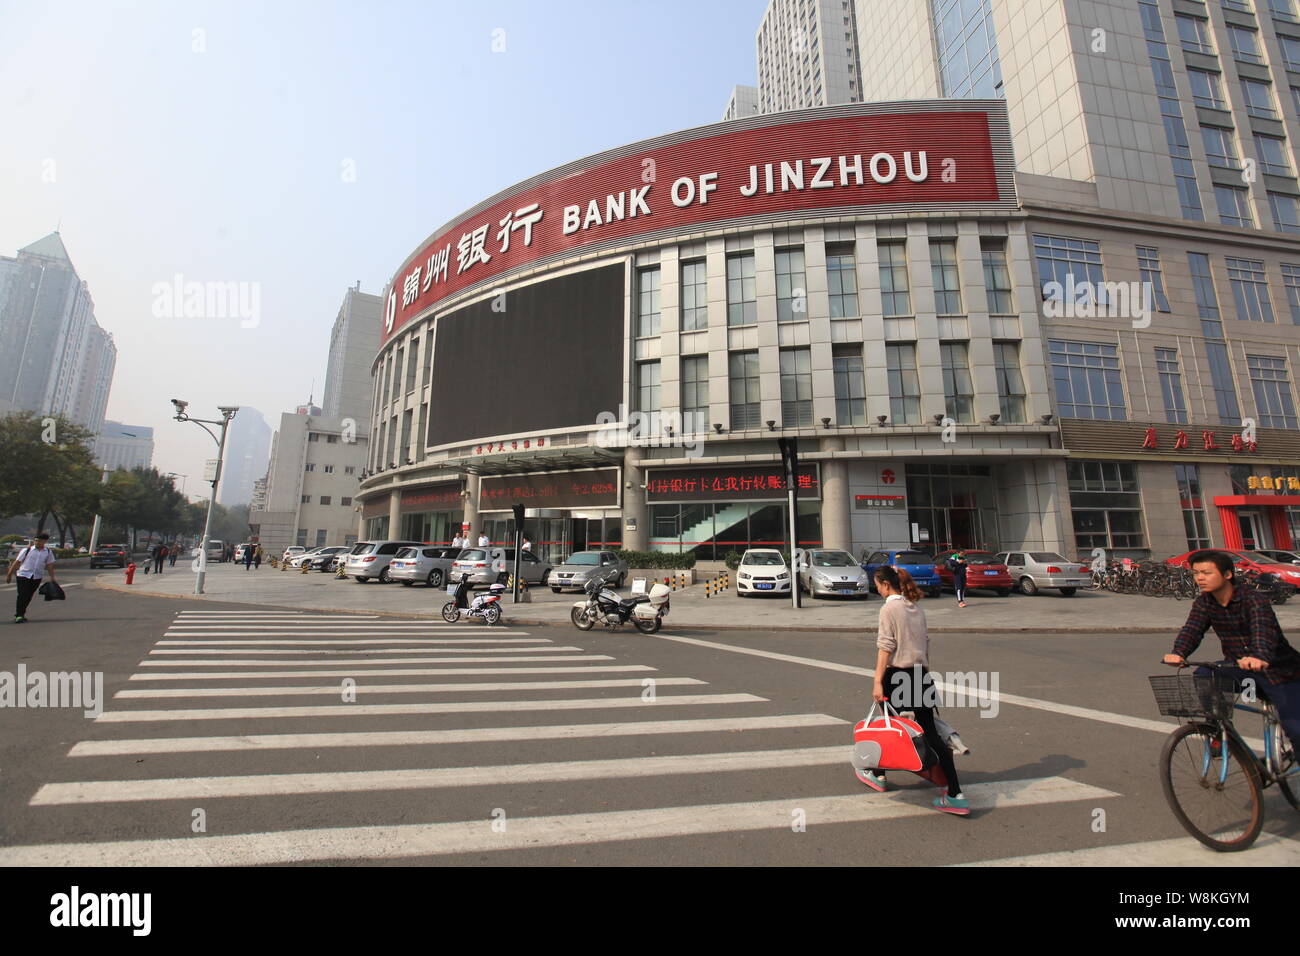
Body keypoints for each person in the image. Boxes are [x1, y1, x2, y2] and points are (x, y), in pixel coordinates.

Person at [1164, 549, 1300, 757]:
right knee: (1205, 674)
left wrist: (1259, 657)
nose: (1200, 578)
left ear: (1227, 574)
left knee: (1295, 729)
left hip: (1280, 672)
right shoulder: (1204, 603)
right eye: (1196, 573)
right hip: (1240, 668)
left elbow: (1263, 631)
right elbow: (1192, 630)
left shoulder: (1253, 600)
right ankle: (1218, 734)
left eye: (1206, 573)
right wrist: (1179, 652)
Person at [861, 565, 969, 815]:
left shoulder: (889, 608)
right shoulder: (916, 608)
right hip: (921, 675)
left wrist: (878, 680)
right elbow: (925, 644)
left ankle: (878, 774)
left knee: (889, 728)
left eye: (877, 584)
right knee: (930, 733)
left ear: (886, 584)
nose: (876, 588)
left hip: (897, 675)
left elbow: (886, 646)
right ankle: (955, 792)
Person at [6, 532, 58, 624]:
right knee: (22, 595)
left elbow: (50, 565)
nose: (37, 542)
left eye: (39, 541)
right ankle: (19, 615)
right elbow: (17, 562)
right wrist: (9, 575)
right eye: (36, 540)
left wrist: (52, 577)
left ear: (45, 541)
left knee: (29, 596)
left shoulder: (48, 552)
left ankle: (21, 614)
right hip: (23, 575)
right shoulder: (27, 550)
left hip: (37, 577)